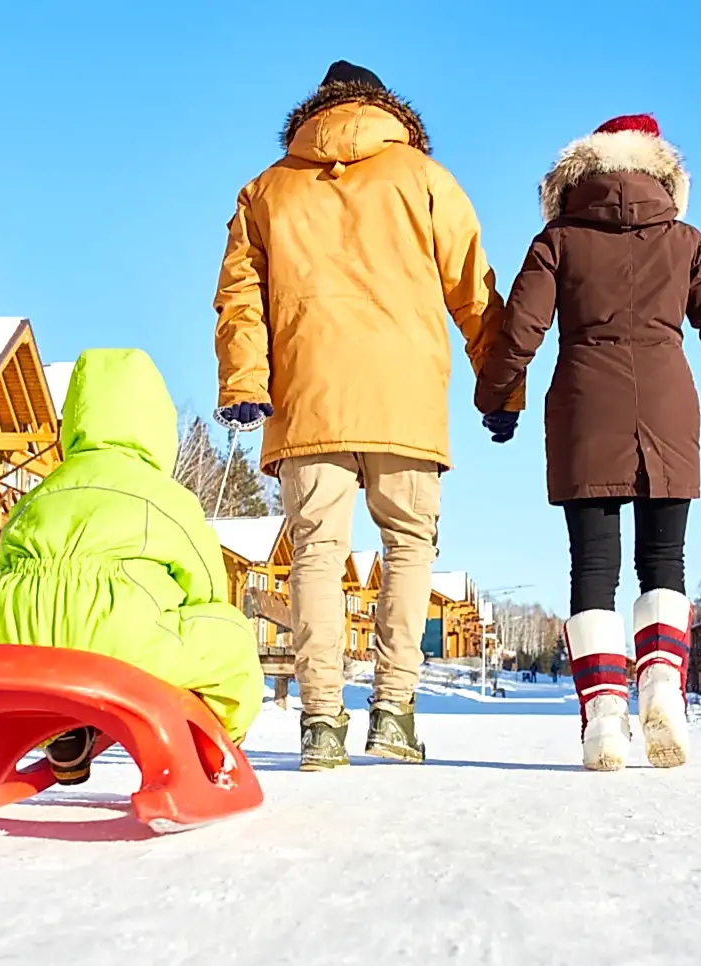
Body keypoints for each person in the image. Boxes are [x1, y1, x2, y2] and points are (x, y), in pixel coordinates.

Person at [213, 61, 514, 770]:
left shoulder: (267, 189)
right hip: (405, 400)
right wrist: (499, 389)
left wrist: (245, 383)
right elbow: (475, 293)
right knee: (410, 549)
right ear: (388, 108)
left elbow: (239, 298)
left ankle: (320, 724)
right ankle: (394, 714)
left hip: (307, 401)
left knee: (316, 555)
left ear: (314, 111)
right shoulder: (426, 181)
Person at [475, 115, 701, 772]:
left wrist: (497, 400)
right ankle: (662, 681)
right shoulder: (685, 241)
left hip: (584, 408)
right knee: (665, 559)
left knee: (593, 569)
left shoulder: (558, 240)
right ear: (662, 173)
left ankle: (604, 716)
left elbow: (520, 329)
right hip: (668, 405)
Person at [0, 349, 263, 785]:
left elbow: (5, 562)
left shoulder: (41, 491)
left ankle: (64, 733)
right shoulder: (165, 496)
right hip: (120, 639)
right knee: (230, 634)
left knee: (56, 629)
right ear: (157, 427)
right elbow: (207, 587)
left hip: (10, 636)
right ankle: (215, 747)